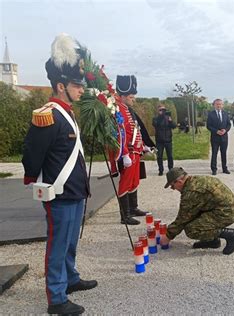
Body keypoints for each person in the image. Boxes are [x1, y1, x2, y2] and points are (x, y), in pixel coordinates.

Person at [22, 34, 97, 315]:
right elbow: (32, 152)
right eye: (77, 86)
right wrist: (34, 178)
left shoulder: (67, 113)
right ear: (61, 86)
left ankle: (71, 279)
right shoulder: (48, 115)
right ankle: (56, 298)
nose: (81, 90)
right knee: (57, 244)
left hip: (75, 190)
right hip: (60, 192)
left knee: (70, 240)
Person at [160, 167, 234, 255]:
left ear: (179, 182)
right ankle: (212, 241)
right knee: (194, 217)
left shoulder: (191, 191)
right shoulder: (196, 180)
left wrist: (168, 236)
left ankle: (232, 235)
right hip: (225, 208)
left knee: (192, 229)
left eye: (172, 186)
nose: (173, 189)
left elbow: (182, 219)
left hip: (227, 213)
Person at [114, 75, 154, 225]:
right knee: (125, 182)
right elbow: (120, 135)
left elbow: (135, 131)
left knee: (134, 181)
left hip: (136, 152)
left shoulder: (127, 110)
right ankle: (125, 215)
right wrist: (124, 154)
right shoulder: (119, 110)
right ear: (123, 96)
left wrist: (143, 146)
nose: (133, 99)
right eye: (131, 96)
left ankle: (133, 208)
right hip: (128, 153)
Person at [206, 99, 231, 175]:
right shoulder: (211, 114)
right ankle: (214, 169)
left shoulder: (225, 114)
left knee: (224, 153)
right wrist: (216, 131)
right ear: (214, 105)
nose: (219, 105)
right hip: (215, 137)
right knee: (214, 153)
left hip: (224, 137)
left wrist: (225, 130)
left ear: (222, 105)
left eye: (220, 104)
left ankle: (224, 168)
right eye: (217, 104)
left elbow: (229, 124)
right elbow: (208, 126)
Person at [152, 105, 176, 176]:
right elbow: (156, 125)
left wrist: (171, 121)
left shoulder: (168, 118)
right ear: (158, 111)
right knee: (159, 156)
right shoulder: (155, 118)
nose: (162, 111)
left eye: (163, 110)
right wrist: (161, 117)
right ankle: (161, 170)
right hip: (159, 141)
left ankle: (171, 169)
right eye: (160, 110)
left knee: (170, 156)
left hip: (168, 140)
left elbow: (174, 126)